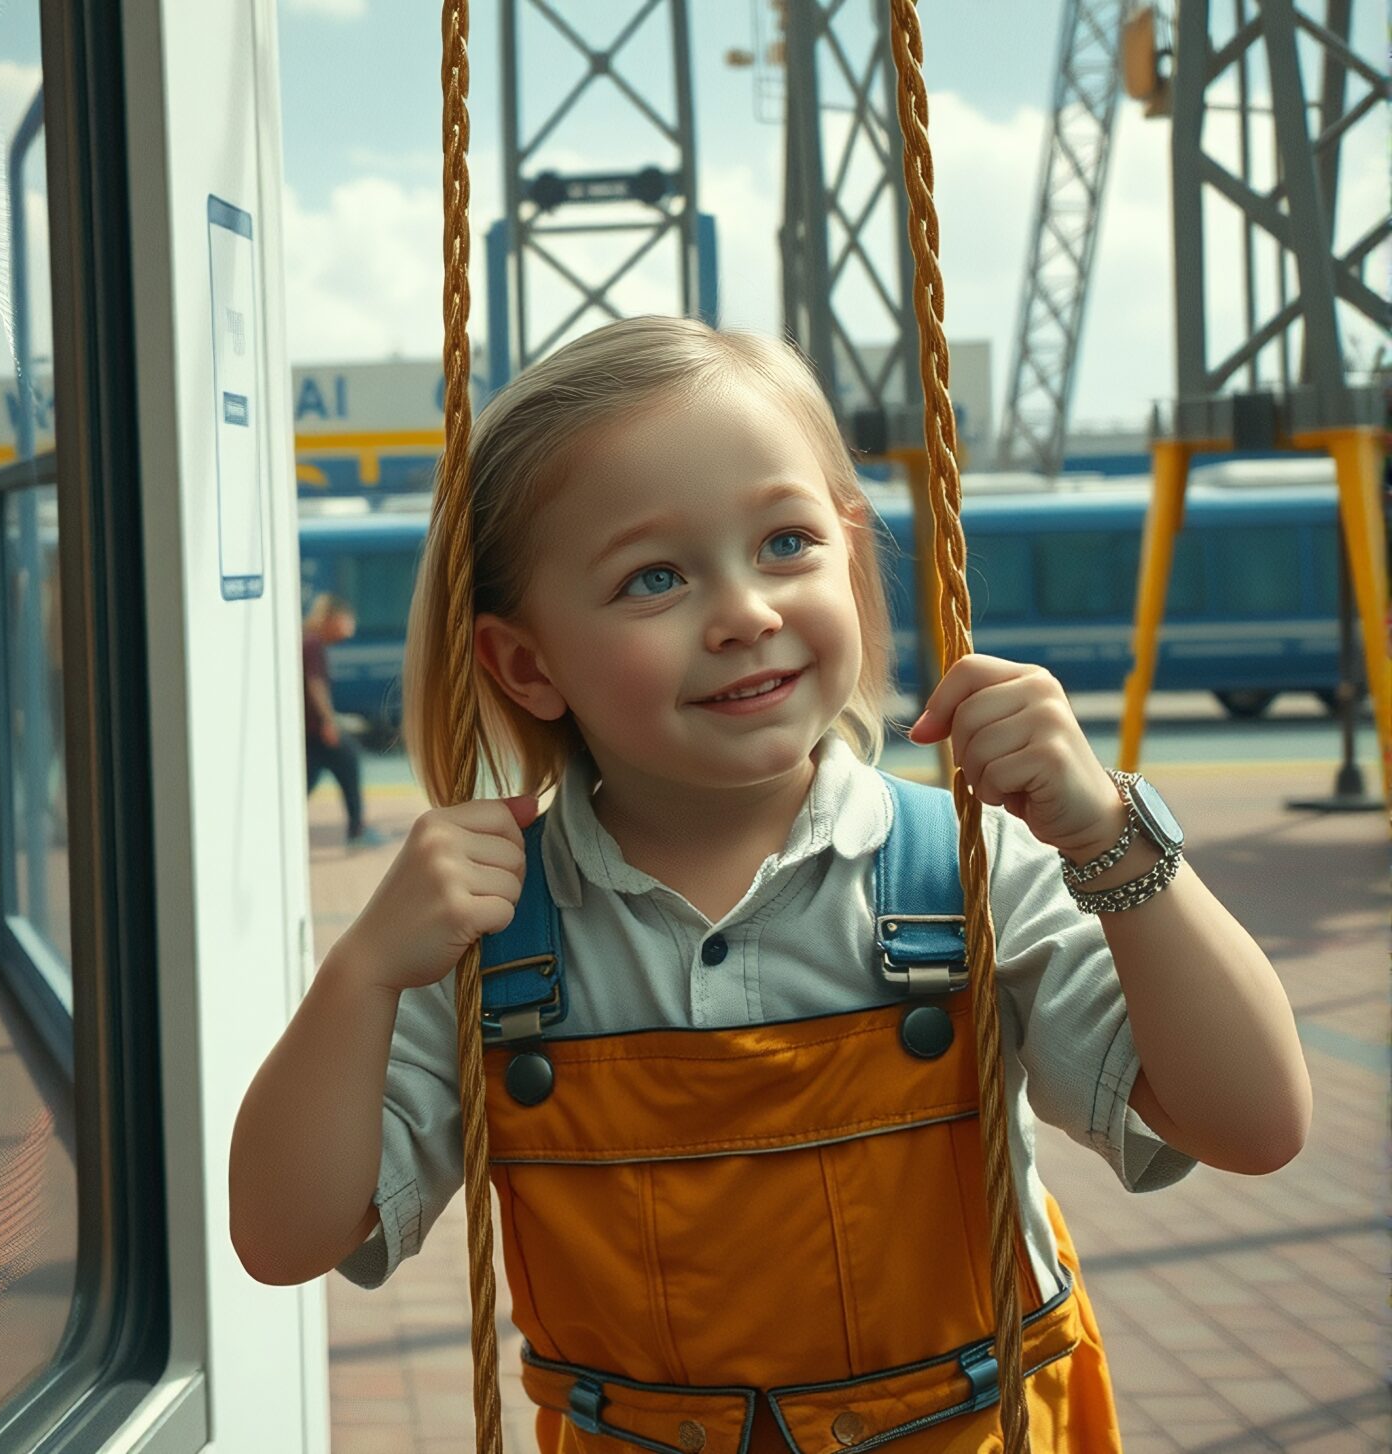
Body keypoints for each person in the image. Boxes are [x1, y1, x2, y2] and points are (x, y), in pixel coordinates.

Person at [228, 317, 1309, 1449]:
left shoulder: (967, 873)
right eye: (654, 576)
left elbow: (1250, 1121)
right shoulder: (493, 937)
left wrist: (1111, 842)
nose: (746, 612)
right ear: (526, 664)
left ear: (850, 549)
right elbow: (286, 1236)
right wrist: (358, 974)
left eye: (786, 542)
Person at [301, 594, 383, 849]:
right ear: (331, 617)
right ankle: (357, 830)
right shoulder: (312, 644)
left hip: (308, 730)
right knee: (348, 762)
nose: (350, 628)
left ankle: (276, 823)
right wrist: (329, 721)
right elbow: (315, 685)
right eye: (346, 620)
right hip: (315, 728)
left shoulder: (309, 641)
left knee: (308, 778)